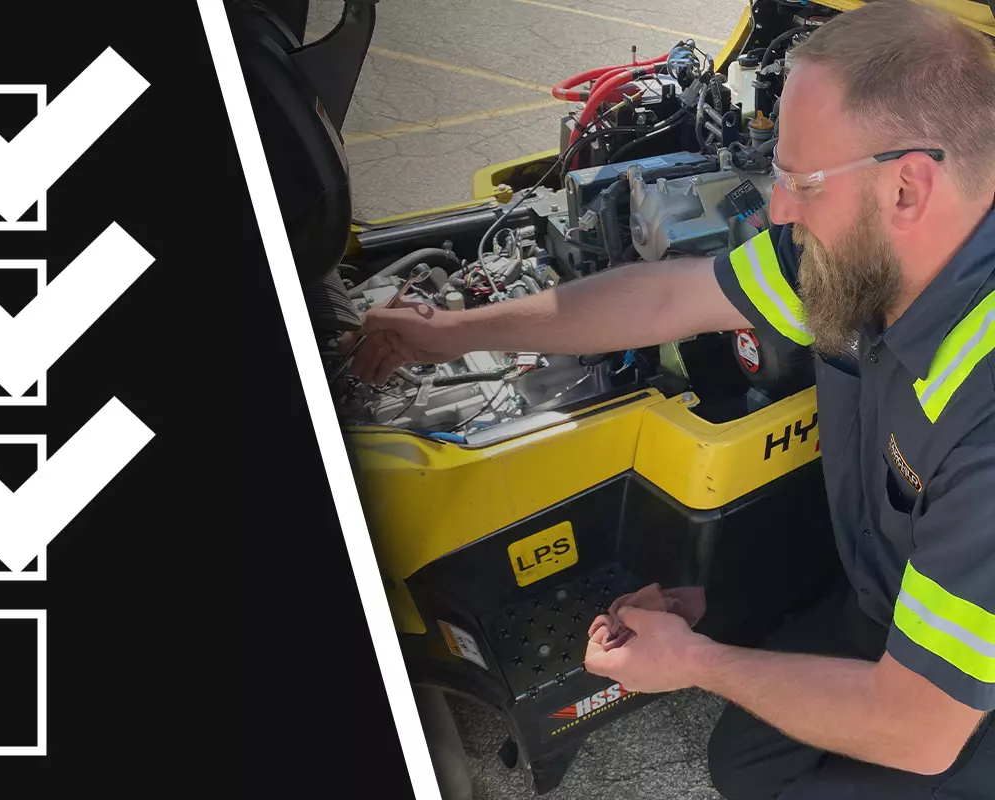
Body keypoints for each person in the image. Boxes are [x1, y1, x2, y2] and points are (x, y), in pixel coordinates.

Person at [337, 1, 994, 797]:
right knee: (746, 762)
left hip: (959, 705)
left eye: (800, 182)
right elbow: (663, 300)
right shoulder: (877, 257)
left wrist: (694, 661)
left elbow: (919, 730)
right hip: (896, 605)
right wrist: (446, 331)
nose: (778, 208)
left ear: (907, 187)